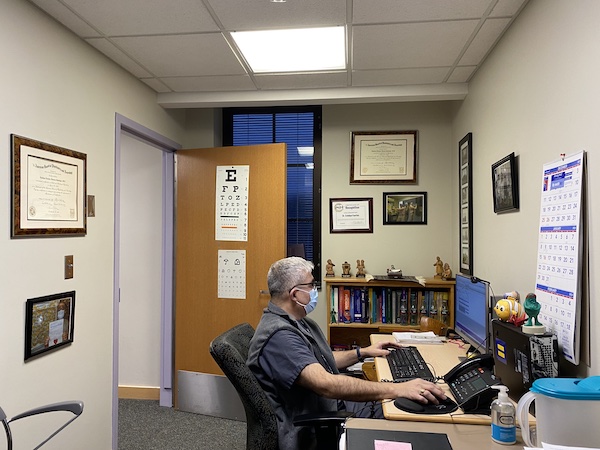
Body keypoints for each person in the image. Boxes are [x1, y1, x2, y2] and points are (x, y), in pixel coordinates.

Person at [247, 257, 446, 450]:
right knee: (411, 416)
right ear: (295, 295)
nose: (314, 290)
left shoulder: (295, 320)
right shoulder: (279, 336)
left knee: (410, 404)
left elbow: (320, 362)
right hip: (318, 424)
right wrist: (398, 389)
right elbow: (325, 383)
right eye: (311, 285)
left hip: (330, 405)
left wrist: (363, 352)